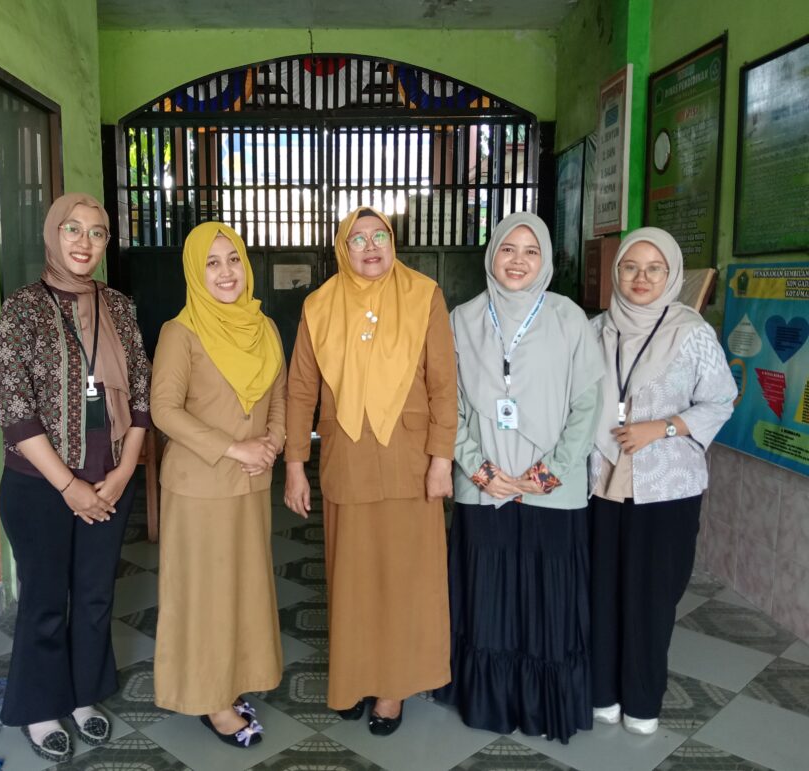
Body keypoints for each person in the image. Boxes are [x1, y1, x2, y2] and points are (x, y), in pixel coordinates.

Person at [0, 193, 151, 762]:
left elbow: (142, 395)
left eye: (97, 232)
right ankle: (40, 707)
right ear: (53, 234)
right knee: (44, 599)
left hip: (110, 480)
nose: (85, 243)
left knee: (94, 596)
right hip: (39, 486)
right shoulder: (23, 308)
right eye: (73, 230)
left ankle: (84, 696)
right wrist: (68, 485)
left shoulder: (120, 308)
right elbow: (13, 407)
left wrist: (124, 470)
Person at [284, 206, 456, 736]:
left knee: (405, 581)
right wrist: (295, 464)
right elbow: (300, 390)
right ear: (343, 248)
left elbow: (444, 384)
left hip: (410, 462)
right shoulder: (319, 305)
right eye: (357, 239)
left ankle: (392, 690)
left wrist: (442, 460)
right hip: (348, 461)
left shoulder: (424, 295)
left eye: (379, 235)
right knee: (353, 581)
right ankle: (354, 678)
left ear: (392, 240)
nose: (371, 246)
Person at [438, 212, 604, 744]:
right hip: (483, 485)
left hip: (551, 489)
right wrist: (480, 469)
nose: (518, 260)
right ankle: (489, 700)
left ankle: (541, 706)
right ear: (492, 255)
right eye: (508, 248)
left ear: (545, 259)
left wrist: (551, 472)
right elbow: (446, 404)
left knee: (547, 599)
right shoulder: (462, 319)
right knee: (487, 598)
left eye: (531, 251)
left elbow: (588, 404)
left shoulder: (568, 318)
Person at [588, 227, 735, 735]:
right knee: (602, 589)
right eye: (631, 266)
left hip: (666, 485)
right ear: (617, 272)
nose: (642, 277)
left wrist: (663, 427)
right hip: (601, 481)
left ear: (671, 275)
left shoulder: (691, 333)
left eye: (655, 268)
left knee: (652, 594)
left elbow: (721, 400)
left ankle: (642, 701)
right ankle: (601, 692)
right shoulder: (595, 329)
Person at [151, 222, 286, 749]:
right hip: (200, 488)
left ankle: (231, 681)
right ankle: (211, 700)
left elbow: (279, 394)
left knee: (243, 591)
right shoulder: (180, 332)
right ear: (195, 271)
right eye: (212, 262)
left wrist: (273, 440)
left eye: (233, 260)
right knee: (205, 595)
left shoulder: (264, 327)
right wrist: (235, 448)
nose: (226, 272)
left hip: (251, 483)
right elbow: (164, 410)